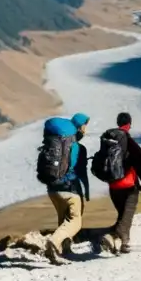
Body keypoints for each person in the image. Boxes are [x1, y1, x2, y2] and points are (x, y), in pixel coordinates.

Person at [100, 112, 141, 255]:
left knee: (123, 215)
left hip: (112, 185)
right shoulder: (129, 142)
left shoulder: (108, 141)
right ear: (129, 124)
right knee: (127, 215)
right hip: (128, 184)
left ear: (117, 122)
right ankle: (112, 236)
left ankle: (124, 243)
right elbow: (140, 165)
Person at [44, 113, 90, 265]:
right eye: (85, 126)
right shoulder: (77, 147)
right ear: (79, 127)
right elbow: (80, 171)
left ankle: (65, 249)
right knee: (75, 220)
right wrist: (86, 191)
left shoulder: (55, 144)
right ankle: (54, 242)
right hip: (70, 188)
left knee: (63, 219)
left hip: (52, 189)